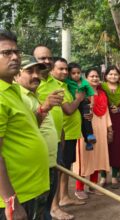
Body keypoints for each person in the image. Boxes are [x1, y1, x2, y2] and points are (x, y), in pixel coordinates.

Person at [0, 29, 49, 220]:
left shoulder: (12, 89)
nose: (15, 57)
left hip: (31, 189)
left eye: (16, 52)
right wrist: (11, 202)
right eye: (6, 53)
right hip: (16, 197)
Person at [15, 55, 65, 220]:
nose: (36, 75)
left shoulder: (32, 95)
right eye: (29, 71)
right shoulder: (18, 97)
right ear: (16, 74)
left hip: (47, 166)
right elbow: (26, 129)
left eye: (38, 71)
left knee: (44, 212)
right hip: (32, 174)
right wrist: (45, 108)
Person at [34, 45, 74, 219]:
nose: (46, 61)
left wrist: (62, 133)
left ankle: (54, 207)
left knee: (54, 177)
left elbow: (61, 111)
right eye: (42, 58)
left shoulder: (55, 83)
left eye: (49, 58)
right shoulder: (32, 82)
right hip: (39, 141)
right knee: (42, 184)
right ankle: (52, 209)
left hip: (56, 137)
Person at [51, 58, 87, 208]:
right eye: (61, 69)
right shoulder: (57, 87)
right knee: (60, 169)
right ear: (52, 70)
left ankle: (64, 196)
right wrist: (78, 99)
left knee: (66, 167)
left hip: (71, 133)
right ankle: (55, 204)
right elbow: (69, 109)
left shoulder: (66, 85)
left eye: (66, 69)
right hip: (64, 133)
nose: (65, 72)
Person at [73, 68, 112, 199]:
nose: (95, 78)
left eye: (96, 76)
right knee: (84, 158)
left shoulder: (102, 93)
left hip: (100, 129)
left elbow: (105, 111)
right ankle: (79, 188)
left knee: (97, 157)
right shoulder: (81, 93)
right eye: (91, 76)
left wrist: (109, 128)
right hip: (86, 129)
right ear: (86, 78)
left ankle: (93, 186)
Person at [100, 66, 120, 189]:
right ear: (106, 75)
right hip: (103, 120)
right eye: (110, 74)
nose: (113, 76)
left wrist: (119, 109)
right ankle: (103, 176)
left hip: (119, 121)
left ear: (119, 76)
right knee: (104, 147)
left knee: (117, 148)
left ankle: (114, 176)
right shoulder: (101, 88)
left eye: (116, 74)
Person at [66, 62, 96, 150]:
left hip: (83, 103)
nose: (76, 75)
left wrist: (91, 104)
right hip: (73, 104)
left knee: (86, 119)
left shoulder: (85, 83)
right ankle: (87, 140)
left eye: (78, 73)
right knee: (80, 122)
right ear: (69, 74)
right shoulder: (67, 81)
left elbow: (91, 93)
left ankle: (89, 137)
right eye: (73, 73)